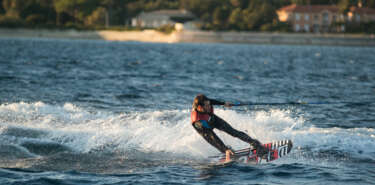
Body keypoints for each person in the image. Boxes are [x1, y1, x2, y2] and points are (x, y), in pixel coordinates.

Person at [190, 94, 267, 162]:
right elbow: (212, 136)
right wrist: (225, 149)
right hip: (205, 130)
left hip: (212, 119)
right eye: (206, 106)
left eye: (209, 104)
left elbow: (211, 101)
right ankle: (228, 151)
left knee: (233, 132)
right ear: (200, 107)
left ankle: (255, 143)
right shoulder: (198, 121)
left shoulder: (205, 102)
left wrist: (224, 103)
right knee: (217, 144)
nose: (209, 107)